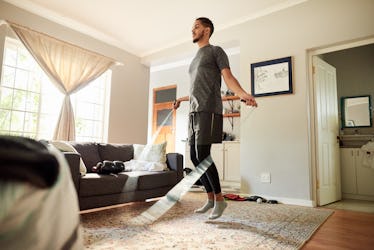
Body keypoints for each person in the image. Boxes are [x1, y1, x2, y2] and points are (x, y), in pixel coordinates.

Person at [174, 17, 257, 219]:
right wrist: (181, 99)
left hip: (209, 110)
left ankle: (220, 202)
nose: (192, 30)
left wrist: (242, 93)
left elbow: (228, 77)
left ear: (207, 30)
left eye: (196, 27)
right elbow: (196, 88)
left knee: (203, 155)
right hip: (194, 111)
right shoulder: (195, 58)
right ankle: (210, 199)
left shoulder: (215, 51)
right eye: (192, 26)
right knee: (194, 157)